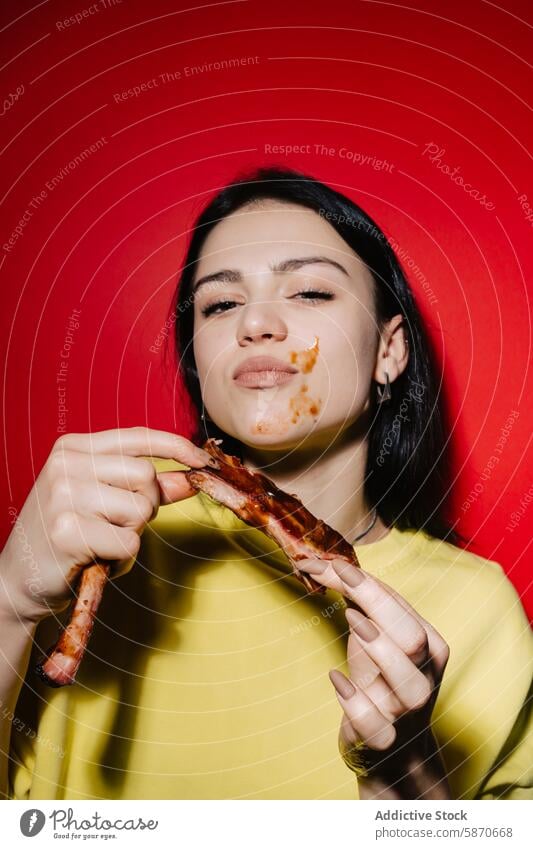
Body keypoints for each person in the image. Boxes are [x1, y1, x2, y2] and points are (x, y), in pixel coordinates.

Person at [1, 167, 531, 801]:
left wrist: (408, 792)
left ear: (390, 349)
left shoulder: (480, 608)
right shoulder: (89, 537)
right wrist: (8, 599)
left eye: (308, 292)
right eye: (221, 304)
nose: (254, 323)